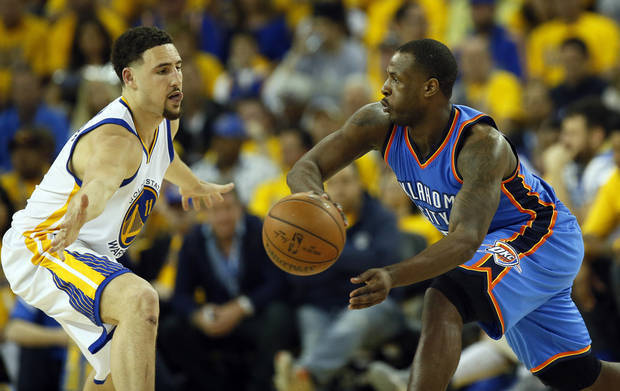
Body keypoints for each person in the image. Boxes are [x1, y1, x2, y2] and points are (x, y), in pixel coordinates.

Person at [286, 38, 620, 390]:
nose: (384, 87)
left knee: (445, 297)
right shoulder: (378, 121)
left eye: (397, 80)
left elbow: (464, 240)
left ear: (430, 88)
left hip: (540, 235)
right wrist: (315, 200)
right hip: (492, 245)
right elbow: (306, 167)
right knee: (574, 375)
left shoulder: (479, 145)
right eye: (388, 76)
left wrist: (392, 275)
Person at [1, 26, 233, 391]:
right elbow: (100, 183)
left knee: (112, 375)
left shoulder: (163, 121)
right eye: (162, 70)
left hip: (92, 255)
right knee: (140, 300)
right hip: (46, 246)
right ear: (130, 78)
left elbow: (163, 157)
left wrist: (191, 183)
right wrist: (82, 208)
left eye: (177, 66)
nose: (175, 79)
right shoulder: (114, 140)